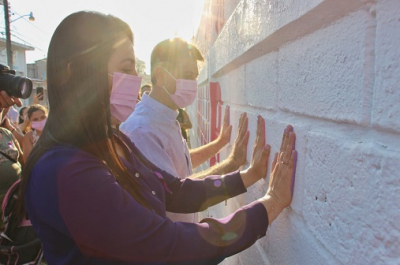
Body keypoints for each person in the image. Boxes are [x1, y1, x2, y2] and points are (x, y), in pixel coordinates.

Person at [17, 11, 297, 264]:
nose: (136, 79)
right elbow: (165, 246)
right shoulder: (65, 170)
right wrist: (269, 205)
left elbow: (173, 190)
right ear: (75, 73)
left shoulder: (111, 141)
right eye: (126, 68)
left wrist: (246, 176)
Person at [121, 38, 249, 222]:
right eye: (187, 75)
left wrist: (219, 143)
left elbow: (178, 164)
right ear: (161, 74)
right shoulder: (142, 131)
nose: (193, 84)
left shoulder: (165, 117)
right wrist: (232, 164)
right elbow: (178, 193)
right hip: (170, 246)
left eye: (195, 77)